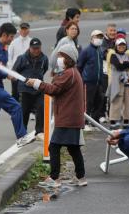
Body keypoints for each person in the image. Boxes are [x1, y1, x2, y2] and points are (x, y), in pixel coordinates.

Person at [26, 44, 87, 188]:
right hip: (72, 118)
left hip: (67, 118)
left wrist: (37, 83)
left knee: (53, 147)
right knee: (73, 148)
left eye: (61, 56)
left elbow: (54, 89)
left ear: (68, 58)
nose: (59, 59)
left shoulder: (68, 73)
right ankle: (81, 177)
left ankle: (54, 178)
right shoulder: (73, 73)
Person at [0, 23, 35, 158]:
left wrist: (8, 74)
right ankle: (21, 136)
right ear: (4, 35)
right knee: (16, 107)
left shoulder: (4, 49)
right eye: (11, 36)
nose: (12, 39)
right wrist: (6, 74)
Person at [12, 38, 48, 141]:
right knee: (24, 112)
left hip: (39, 88)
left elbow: (44, 70)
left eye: (38, 48)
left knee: (41, 109)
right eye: (34, 48)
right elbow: (14, 72)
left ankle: (39, 131)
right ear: (30, 48)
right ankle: (22, 134)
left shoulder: (44, 58)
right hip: (25, 90)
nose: (36, 50)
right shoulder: (22, 58)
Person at [106, 38, 129, 128]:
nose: (121, 47)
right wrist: (126, 64)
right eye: (119, 45)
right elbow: (118, 66)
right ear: (116, 46)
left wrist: (124, 63)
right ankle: (113, 121)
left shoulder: (128, 54)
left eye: (123, 45)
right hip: (116, 81)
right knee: (116, 100)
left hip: (127, 80)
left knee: (128, 101)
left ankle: (127, 120)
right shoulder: (113, 55)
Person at [77, 30, 105, 125]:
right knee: (87, 103)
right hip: (88, 82)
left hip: (98, 82)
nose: (99, 39)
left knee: (99, 101)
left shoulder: (100, 50)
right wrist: (82, 79)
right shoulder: (86, 51)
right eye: (97, 37)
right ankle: (84, 123)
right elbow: (79, 65)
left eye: (101, 37)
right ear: (92, 38)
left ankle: (94, 122)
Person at [7, 22, 32, 101]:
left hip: (27, 71)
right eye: (22, 29)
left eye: (26, 29)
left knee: (27, 93)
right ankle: (16, 111)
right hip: (16, 71)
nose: (24, 31)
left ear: (29, 30)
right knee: (15, 93)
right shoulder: (14, 42)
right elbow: (9, 57)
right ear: (19, 30)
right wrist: (11, 71)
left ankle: (25, 110)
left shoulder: (31, 42)